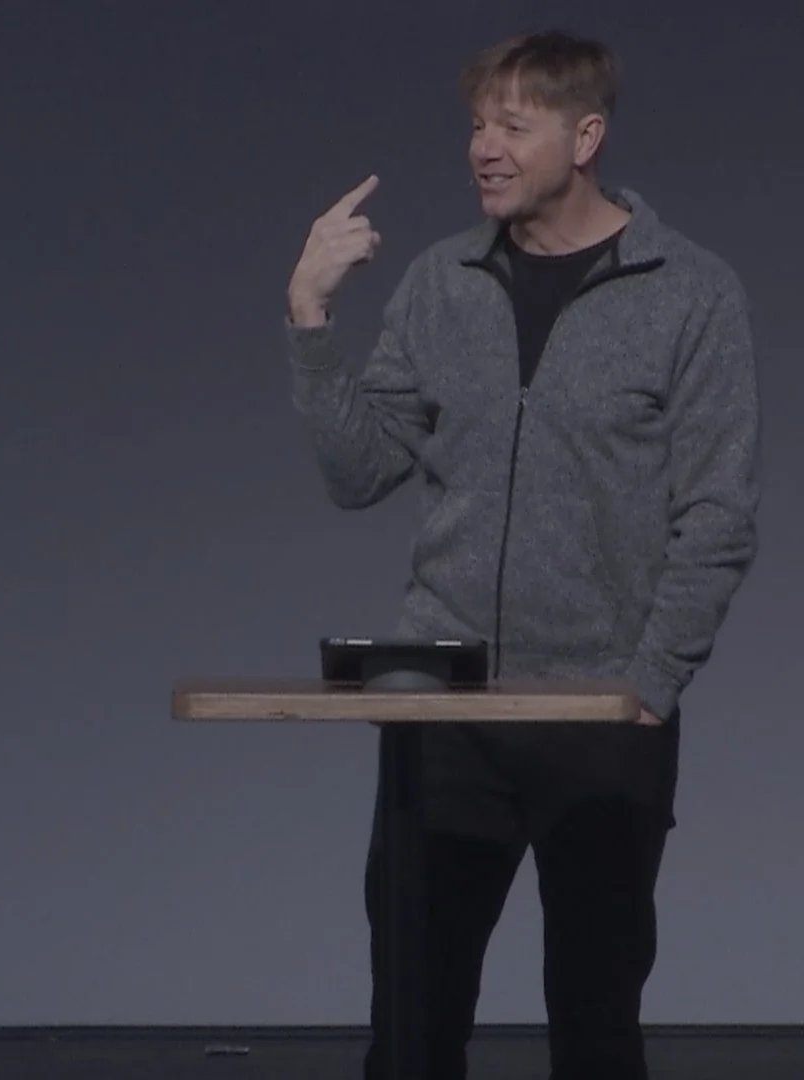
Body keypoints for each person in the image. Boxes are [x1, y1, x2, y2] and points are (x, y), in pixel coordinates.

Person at [283, 28, 760, 1080]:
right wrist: (311, 317)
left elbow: (719, 513)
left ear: (586, 137)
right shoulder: (440, 283)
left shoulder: (690, 292)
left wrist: (650, 683)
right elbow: (361, 472)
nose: (483, 149)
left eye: (512, 125)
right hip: (443, 712)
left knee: (594, 1027)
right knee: (412, 1027)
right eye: (475, 125)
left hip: (602, 714)